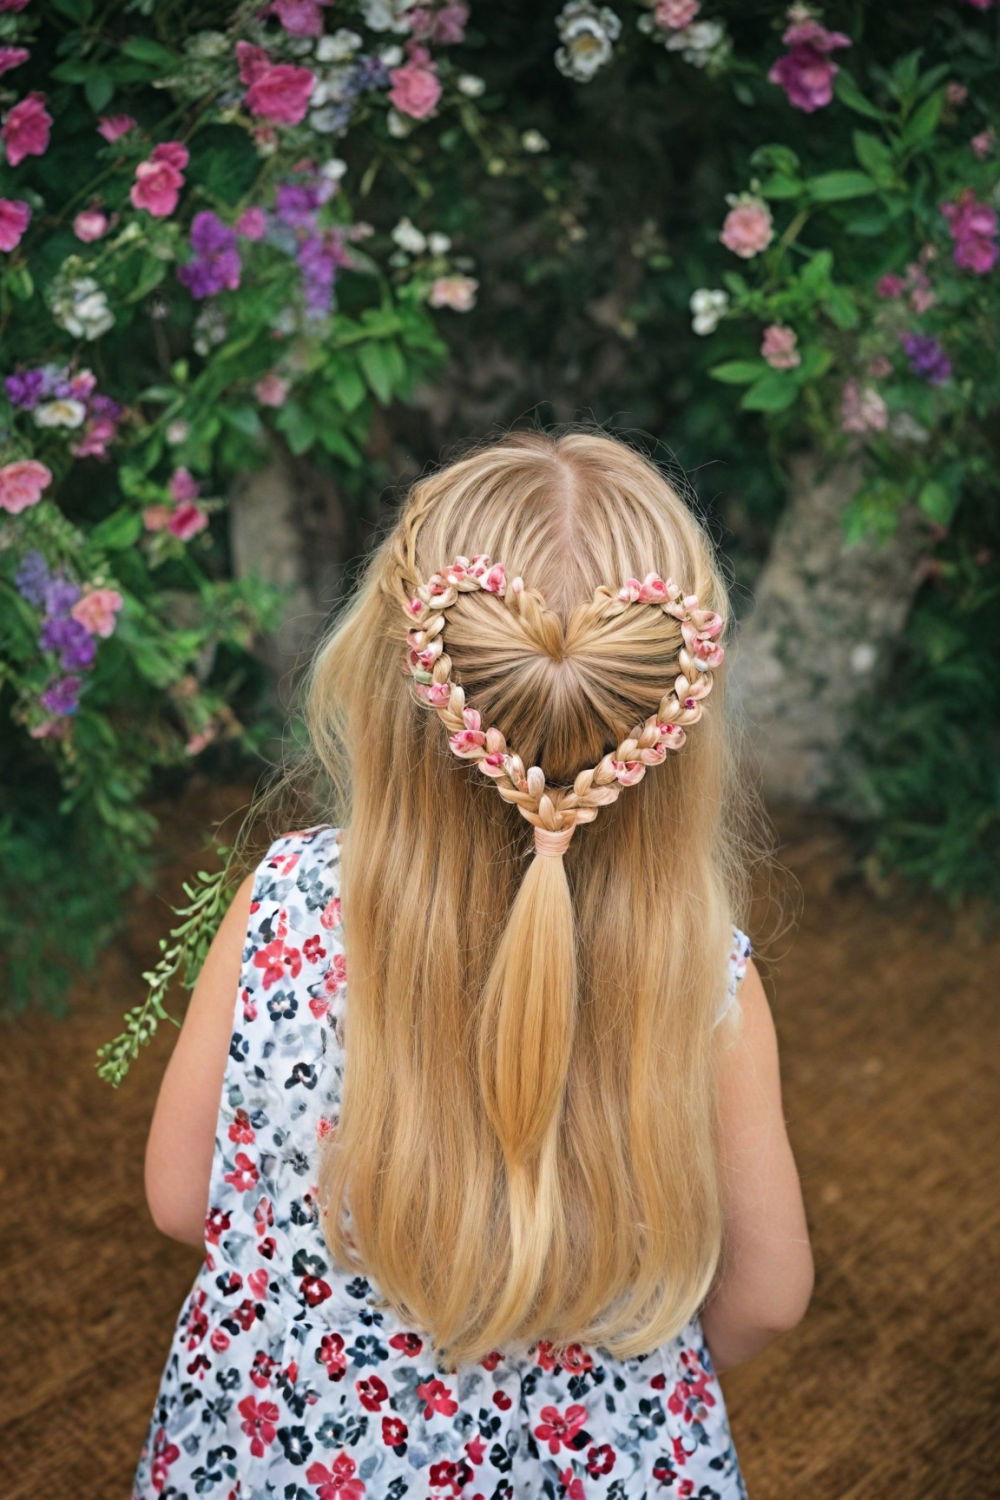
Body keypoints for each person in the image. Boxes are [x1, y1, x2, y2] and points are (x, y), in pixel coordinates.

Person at [132, 430, 813, 1499]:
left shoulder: (288, 904)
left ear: (387, 670)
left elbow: (183, 1198)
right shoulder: (705, 980)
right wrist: (613, 1378)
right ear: (674, 729)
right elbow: (767, 1295)